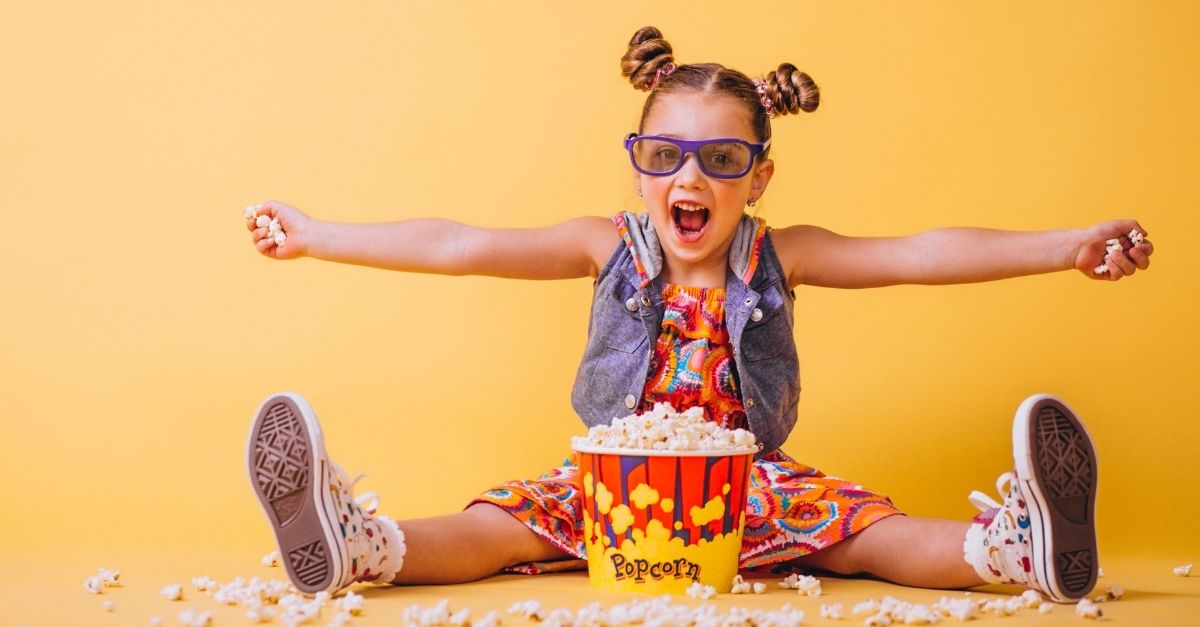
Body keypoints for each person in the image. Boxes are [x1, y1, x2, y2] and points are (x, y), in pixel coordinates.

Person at [243, 26, 1153, 603]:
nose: (690, 179)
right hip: (614, 483)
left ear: (758, 175)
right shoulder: (605, 246)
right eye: (667, 155)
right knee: (492, 528)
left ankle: (1015, 548)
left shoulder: (778, 254)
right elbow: (458, 242)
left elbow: (919, 254)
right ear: (636, 165)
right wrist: (317, 233)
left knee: (869, 538)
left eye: (720, 158)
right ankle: (362, 544)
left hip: (746, 486)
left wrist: (1065, 242)